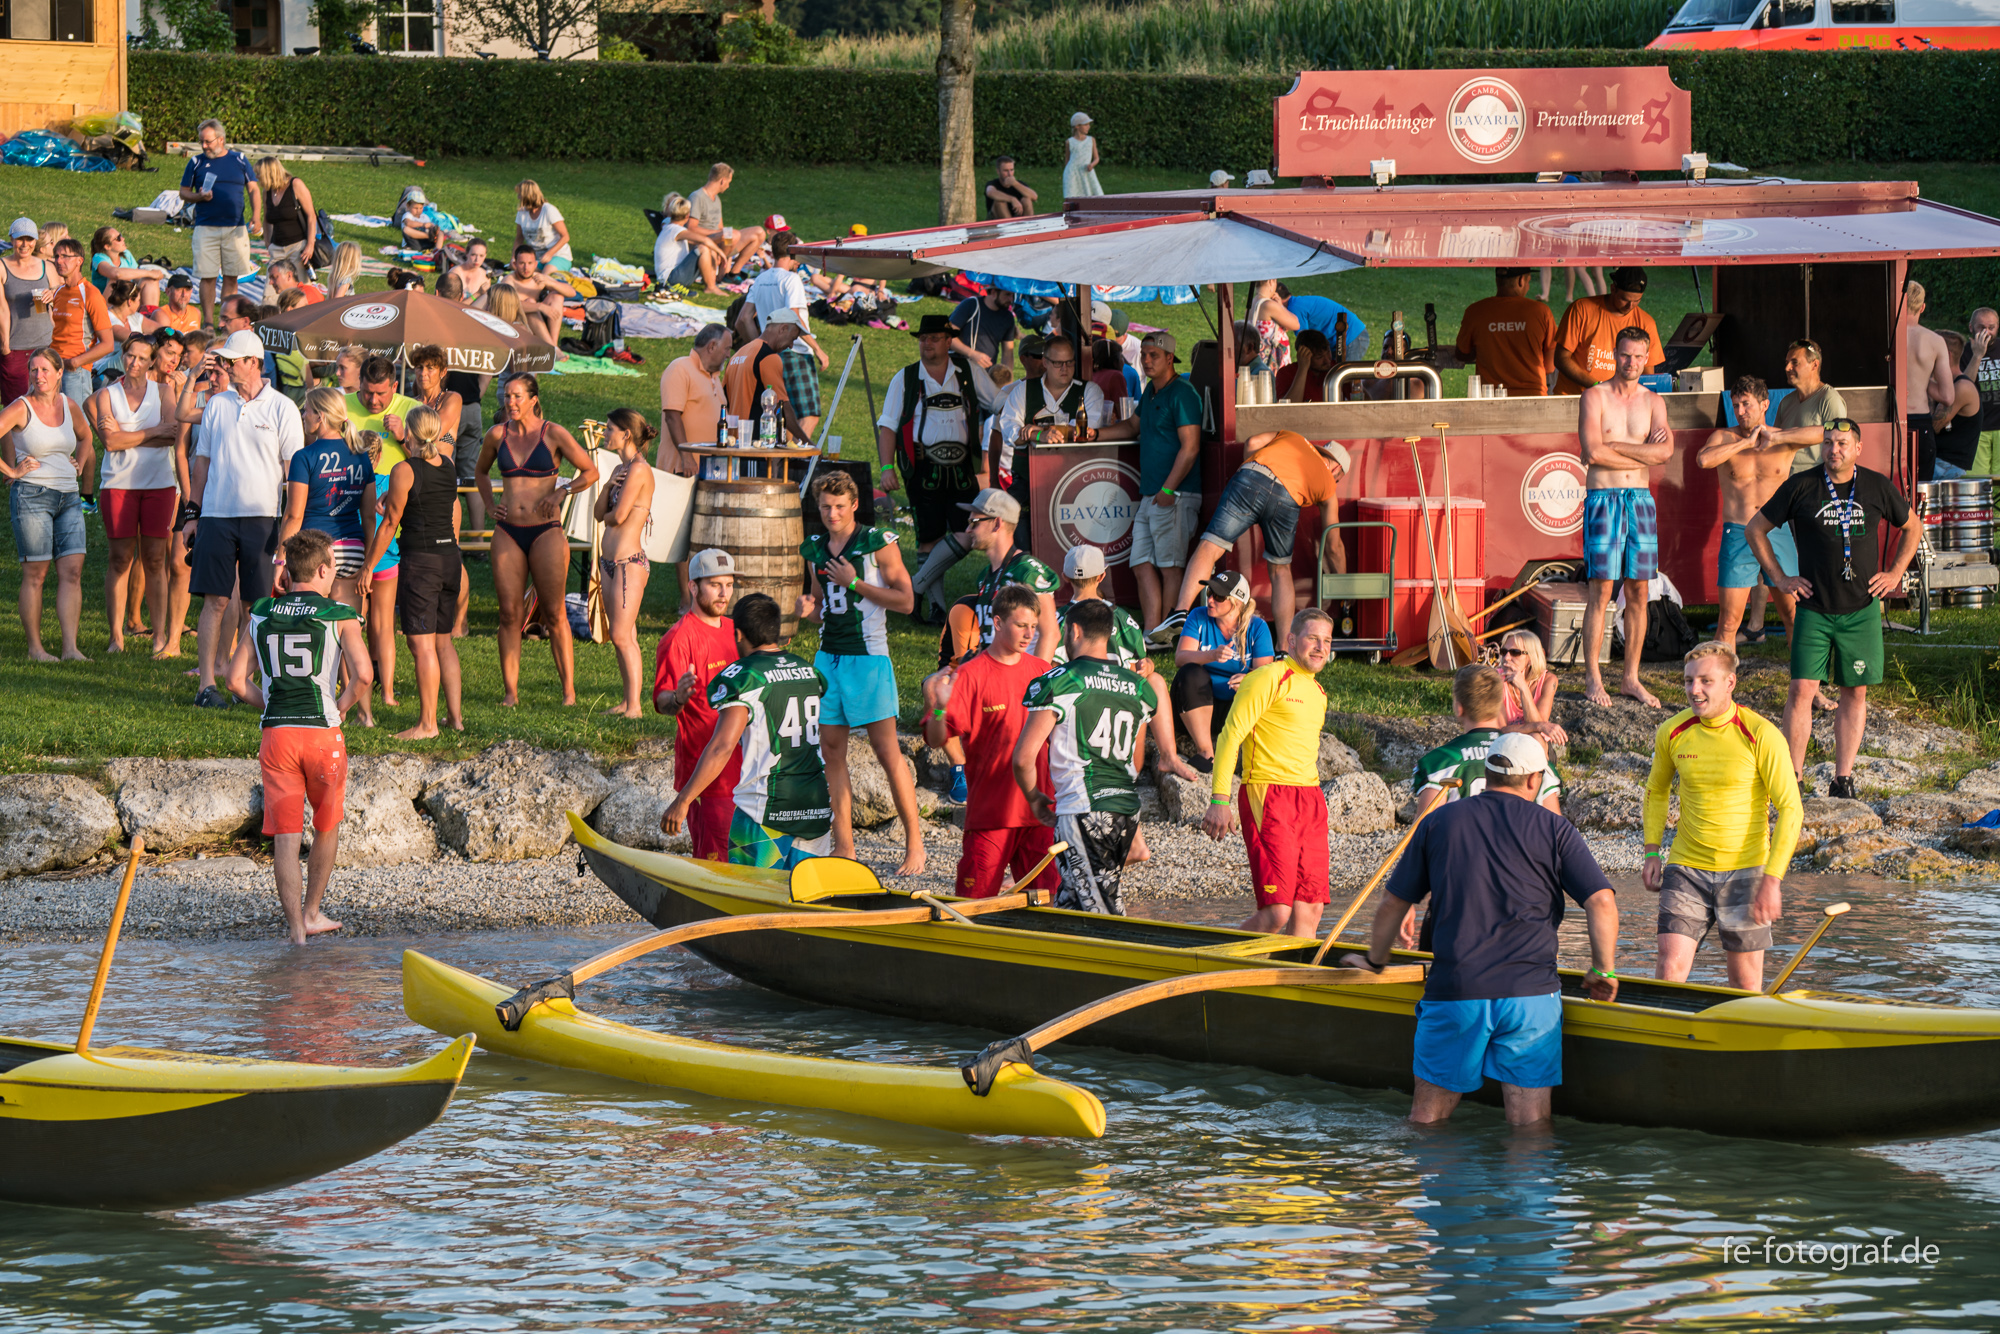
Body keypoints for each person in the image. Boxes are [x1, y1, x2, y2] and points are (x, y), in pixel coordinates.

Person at [1344, 730, 1619, 1128]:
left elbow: (1393, 904)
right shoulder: (1556, 829)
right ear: (1534, 780)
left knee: (1427, 1119)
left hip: (1456, 990)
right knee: (1530, 1126)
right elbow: (1602, 901)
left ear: (1487, 773)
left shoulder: (1438, 822)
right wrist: (1602, 970)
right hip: (1531, 997)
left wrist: (1375, 961)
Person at [1747, 419, 1923, 799]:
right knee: (1801, 690)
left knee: (1854, 692)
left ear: (1858, 448)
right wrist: (1780, 578)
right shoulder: (1801, 486)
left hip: (1860, 609)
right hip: (1814, 607)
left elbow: (1913, 527)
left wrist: (1895, 572)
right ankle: (1793, 779)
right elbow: (1754, 529)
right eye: (1828, 442)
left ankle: (1843, 780)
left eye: (1842, 443)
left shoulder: (1876, 485)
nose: (1834, 450)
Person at [224, 529, 371, 947]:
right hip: (322, 733)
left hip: (278, 736)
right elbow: (364, 675)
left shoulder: (262, 612)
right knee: (327, 824)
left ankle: (295, 933)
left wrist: (269, 701)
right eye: (334, 567)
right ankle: (312, 912)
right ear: (323, 570)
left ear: (289, 572)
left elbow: (234, 680)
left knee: (286, 837)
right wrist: (341, 706)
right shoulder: (339, 614)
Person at [1014, 599, 1192, 915]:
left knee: (1103, 912)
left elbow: (1023, 758)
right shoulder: (1137, 687)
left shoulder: (1060, 681)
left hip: (1083, 808)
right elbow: (1135, 756)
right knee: (1072, 902)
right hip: (1126, 811)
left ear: (1074, 631)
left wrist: (1034, 797)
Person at [1642, 642, 1803, 991]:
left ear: (1730, 682)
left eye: (1705, 681)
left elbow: (1791, 808)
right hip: (1686, 867)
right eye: (1688, 681)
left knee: (1744, 984)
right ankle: (1663, 1023)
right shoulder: (1672, 731)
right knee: (1669, 968)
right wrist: (1652, 851)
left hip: (1747, 870)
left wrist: (1772, 880)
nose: (1694, 690)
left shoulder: (1761, 734)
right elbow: (1656, 790)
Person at [798, 469, 927, 876]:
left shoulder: (877, 543)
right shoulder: (815, 549)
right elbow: (821, 605)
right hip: (828, 659)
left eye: (840, 506)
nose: (832, 514)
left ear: (854, 505)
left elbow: (907, 601)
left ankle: (915, 844)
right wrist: (807, 610)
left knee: (887, 752)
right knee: (831, 751)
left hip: (868, 658)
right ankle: (845, 846)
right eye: (826, 507)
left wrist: (855, 584)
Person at [661, 592, 832, 869]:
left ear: (738, 634)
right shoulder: (808, 671)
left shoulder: (744, 676)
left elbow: (722, 746)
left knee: (749, 890)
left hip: (765, 809)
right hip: (815, 803)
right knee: (805, 890)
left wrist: (683, 800)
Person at [180, 329, 305, 707]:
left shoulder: (283, 407)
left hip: (263, 518)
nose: (224, 365)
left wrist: (290, 529)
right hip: (216, 516)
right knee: (214, 601)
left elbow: (294, 472)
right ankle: (206, 685)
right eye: (223, 360)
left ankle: (244, 682)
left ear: (253, 363)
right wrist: (192, 514)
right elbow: (202, 463)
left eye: (231, 360)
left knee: (256, 606)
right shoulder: (217, 404)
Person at [1198, 609, 1337, 936]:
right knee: (1277, 911)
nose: (1320, 647)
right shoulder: (1268, 677)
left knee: (1311, 908)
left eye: (1327, 641)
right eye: (1312, 638)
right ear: (1291, 640)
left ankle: (1292, 968)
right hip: (1268, 794)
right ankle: (1226, 960)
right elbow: (1230, 735)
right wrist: (1219, 799)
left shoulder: (1318, 693)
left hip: (1311, 799)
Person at [924, 582, 1059, 897]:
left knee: (1048, 904)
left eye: (1034, 627)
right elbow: (934, 738)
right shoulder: (970, 675)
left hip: (1039, 814)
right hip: (991, 816)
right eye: (1021, 625)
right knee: (972, 906)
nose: (1029, 634)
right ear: (997, 623)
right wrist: (940, 707)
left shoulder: (1044, 672)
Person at [1159, 430, 1348, 649]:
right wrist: (1344, 585)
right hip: (1288, 498)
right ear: (1336, 469)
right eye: (1338, 479)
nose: (1335, 482)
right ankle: (1283, 648)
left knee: (1210, 546)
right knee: (1280, 570)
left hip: (1252, 476)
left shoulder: (1293, 437)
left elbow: (1252, 442)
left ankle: (1181, 611)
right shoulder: (1328, 485)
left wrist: (1253, 480)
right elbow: (1333, 545)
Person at [476, 374, 596, 706]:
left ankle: (568, 693)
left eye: (517, 396)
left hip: (546, 531)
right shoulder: (497, 435)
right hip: (508, 531)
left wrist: (562, 491)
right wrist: (489, 505)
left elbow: (590, 471)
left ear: (533, 399)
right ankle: (510, 693)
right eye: (507, 396)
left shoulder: (553, 433)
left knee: (554, 613)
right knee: (509, 614)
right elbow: (480, 472)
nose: (510, 402)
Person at [1577, 326, 1673, 708]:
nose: (1631, 362)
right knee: (1601, 590)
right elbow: (1592, 452)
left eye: (1638, 356)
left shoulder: (1653, 401)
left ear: (1646, 358)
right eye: (1624, 355)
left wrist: (1613, 445)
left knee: (1639, 591)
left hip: (1640, 500)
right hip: (1604, 498)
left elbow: (1664, 454)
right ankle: (1593, 677)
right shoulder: (1594, 396)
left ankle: (1630, 678)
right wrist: (1638, 453)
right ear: (1614, 354)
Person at [1697, 375, 1825, 647]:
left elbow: (1826, 433)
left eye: (1747, 404)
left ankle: (1801, 674)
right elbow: (1703, 460)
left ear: (1765, 404)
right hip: (1738, 530)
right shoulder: (1724, 437)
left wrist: (1776, 436)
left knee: (1793, 615)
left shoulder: (1782, 439)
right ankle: (1722, 675)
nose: (1740, 411)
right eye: (1736, 405)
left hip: (1775, 530)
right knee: (1729, 622)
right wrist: (1745, 443)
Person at [361, 405, 462, 740]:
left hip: (422, 563)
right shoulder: (447, 464)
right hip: (449, 559)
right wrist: (392, 493)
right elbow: (426, 496)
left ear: (410, 433)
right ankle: (455, 719)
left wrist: (369, 566)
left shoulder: (405, 469)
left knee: (421, 646)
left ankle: (427, 725)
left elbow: (390, 523)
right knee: (443, 642)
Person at [1094, 332, 1202, 643]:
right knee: (1140, 563)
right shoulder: (1151, 391)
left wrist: (1168, 490)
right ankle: (1151, 632)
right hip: (1152, 493)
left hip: (1174, 494)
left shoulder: (1183, 393)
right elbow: (1131, 426)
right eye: (1143, 354)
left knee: (1170, 567)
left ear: (1170, 358)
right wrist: (1094, 434)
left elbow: (1191, 447)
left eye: (1154, 355)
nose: (1146, 360)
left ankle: (1166, 635)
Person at [879, 312, 1000, 569]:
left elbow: (999, 403)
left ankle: (920, 583)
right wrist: (887, 468)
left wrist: (1023, 400)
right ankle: (931, 595)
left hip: (962, 468)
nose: (927, 343)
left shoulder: (969, 372)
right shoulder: (905, 378)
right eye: (923, 338)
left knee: (968, 532)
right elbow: (888, 426)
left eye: (934, 338)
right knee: (928, 539)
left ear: (948, 341)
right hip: (923, 468)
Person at [87, 334, 178, 655]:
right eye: (129, 356)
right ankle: (116, 637)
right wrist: (153, 432)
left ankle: (159, 636)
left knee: (155, 559)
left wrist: (128, 435)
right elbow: (110, 443)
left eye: (141, 357)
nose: (134, 362)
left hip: (159, 484)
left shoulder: (164, 392)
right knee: (120, 559)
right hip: (118, 484)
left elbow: (172, 435)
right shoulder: (107, 394)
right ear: (122, 356)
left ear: (152, 361)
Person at [2, 347, 93, 661]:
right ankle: (35, 649)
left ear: (59, 373)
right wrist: (12, 471)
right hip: (32, 496)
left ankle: (71, 649)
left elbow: (86, 437)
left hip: (69, 497)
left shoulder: (69, 405)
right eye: (34, 370)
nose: (38, 376)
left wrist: (79, 465)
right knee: (36, 575)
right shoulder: (21, 407)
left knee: (72, 572)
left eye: (44, 370)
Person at [653, 548, 741, 861]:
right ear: (692, 586)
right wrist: (678, 697)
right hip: (706, 779)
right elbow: (662, 701)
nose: (724, 593)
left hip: (745, 772)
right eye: (715, 585)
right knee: (714, 864)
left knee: (746, 862)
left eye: (729, 585)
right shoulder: (678, 638)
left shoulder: (736, 630)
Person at [347, 356, 420, 706]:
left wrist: (403, 437)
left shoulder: (412, 410)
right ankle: (383, 691)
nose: (373, 401)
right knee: (372, 623)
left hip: (382, 540)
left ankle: (361, 687)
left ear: (394, 386)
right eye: (367, 393)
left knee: (357, 623)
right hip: (375, 547)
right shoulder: (341, 405)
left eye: (380, 394)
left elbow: (436, 454)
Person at [280, 387, 373, 631]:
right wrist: (369, 560)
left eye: (307, 410)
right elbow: (369, 516)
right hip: (353, 548)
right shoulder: (361, 456)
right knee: (348, 629)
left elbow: (293, 515)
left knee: (312, 629)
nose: (303, 415)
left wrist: (280, 559)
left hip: (315, 549)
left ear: (320, 416)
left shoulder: (304, 456)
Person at [1169, 569, 1276, 771]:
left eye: (1218, 596)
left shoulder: (1257, 627)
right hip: (1196, 708)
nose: (1210, 600)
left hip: (1234, 710)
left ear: (1237, 602)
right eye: (1210, 592)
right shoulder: (1198, 616)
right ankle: (1206, 752)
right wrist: (1212, 655)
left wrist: (1248, 680)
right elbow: (1180, 658)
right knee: (1190, 673)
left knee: (1259, 687)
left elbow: (1267, 675)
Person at [989, 332, 1105, 510]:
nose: (1064, 368)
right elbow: (1010, 433)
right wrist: (1039, 435)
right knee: (1020, 526)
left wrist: (1036, 432)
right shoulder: (1022, 390)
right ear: (1045, 362)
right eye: (1058, 363)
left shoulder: (1090, 391)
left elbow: (1085, 430)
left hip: (1074, 479)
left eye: (1069, 362)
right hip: (1026, 482)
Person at [592, 408, 657, 720]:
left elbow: (616, 517)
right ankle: (627, 702)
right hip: (609, 562)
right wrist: (607, 487)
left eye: (609, 428)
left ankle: (635, 707)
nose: (605, 433)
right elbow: (598, 514)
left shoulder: (640, 470)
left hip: (629, 563)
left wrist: (609, 515)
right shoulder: (621, 468)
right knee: (622, 635)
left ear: (626, 434)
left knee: (620, 635)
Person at [741, 233, 828, 439]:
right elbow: (793, 316)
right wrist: (817, 349)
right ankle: (797, 457)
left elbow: (743, 318)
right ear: (793, 253)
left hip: (771, 354)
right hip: (796, 352)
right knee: (808, 415)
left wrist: (759, 347)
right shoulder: (791, 279)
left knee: (785, 416)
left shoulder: (760, 279)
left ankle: (785, 457)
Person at [177, 119, 261, 331]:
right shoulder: (196, 162)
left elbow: (253, 189)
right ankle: (208, 322)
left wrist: (256, 215)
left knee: (231, 277)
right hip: (205, 227)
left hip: (235, 228)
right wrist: (199, 196)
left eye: (207, 141)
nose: (204, 146)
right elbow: (183, 192)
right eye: (201, 142)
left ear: (221, 139)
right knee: (208, 277)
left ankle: (226, 322)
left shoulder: (239, 160)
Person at [960, 487, 1059, 657]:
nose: (968, 530)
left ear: (997, 524)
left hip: (1020, 670)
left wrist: (1035, 674)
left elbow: (1050, 634)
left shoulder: (1027, 572)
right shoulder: (984, 576)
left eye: (974, 522)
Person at [1554, 266, 1661, 396]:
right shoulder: (1582, 310)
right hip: (1575, 397)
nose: (1630, 306)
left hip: (1621, 402)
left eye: (1636, 301)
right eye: (1624, 299)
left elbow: (1648, 376)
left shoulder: (1646, 323)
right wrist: (1598, 386)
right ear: (1613, 289)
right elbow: (1561, 358)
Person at [1452, 267, 1555, 396]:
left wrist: (1484, 349)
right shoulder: (1541, 312)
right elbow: (1550, 366)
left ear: (1497, 280)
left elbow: (1462, 353)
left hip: (1490, 396)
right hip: (1533, 395)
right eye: (1528, 281)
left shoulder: (1475, 311)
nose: (1528, 286)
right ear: (1521, 281)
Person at [723, 312, 810, 452]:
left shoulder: (737, 355)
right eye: (792, 339)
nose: (791, 345)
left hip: (732, 444)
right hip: (755, 446)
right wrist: (807, 442)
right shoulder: (768, 357)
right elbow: (782, 407)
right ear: (783, 329)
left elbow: (723, 402)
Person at [46, 239, 112, 405]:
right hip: (53, 366)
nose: (59, 261)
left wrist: (75, 362)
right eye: (56, 256)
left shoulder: (91, 294)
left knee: (76, 419)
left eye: (65, 256)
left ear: (79, 260)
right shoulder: (59, 292)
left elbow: (108, 344)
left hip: (75, 371)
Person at [1901, 280, 1955, 482]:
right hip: (1919, 421)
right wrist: (1923, 380)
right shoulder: (1935, 340)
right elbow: (1947, 396)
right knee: (1920, 488)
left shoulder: (1885, 337)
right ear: (1922, 307)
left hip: (1889, 419)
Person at [662, 323, 729, 481]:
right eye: (727, 349)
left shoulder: (715, 377)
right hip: (684, 469)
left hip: (711, 469)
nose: (728, 355)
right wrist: (687, 457)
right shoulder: (680, 368)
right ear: (712, 346)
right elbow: (672, 416)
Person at [1, 217, 56, 403]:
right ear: (11, 239)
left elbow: (61, 296)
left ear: (35, 241)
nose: (25, 245)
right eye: (20, 239)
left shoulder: (47, 267)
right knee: (15, 404)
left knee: (45, 402)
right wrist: (5, 348)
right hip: (15, 347)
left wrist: (52, 295)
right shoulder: (2, 267)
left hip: (44, 345)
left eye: (29, 239)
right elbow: (2, 310)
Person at [684, 164, 766, 276]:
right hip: (704, 242)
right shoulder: (697, 197)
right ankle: (721, 270)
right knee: (732, 234)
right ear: (722, 181)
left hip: (720, 241)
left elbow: (721, 227)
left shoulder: (717, 199)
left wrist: (726, 238)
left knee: (759, 232)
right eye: (729, 182)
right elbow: (691, 228)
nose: (728, 186)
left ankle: (732, 273)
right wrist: (720, 234)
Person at [499, 244, 575, 350]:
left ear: (535, 264)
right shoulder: (509, 281)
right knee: (531, 302)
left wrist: (552, 283)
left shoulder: (539, 278)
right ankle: (552, 348)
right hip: (517, 324)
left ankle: (554, 345)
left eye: (530, 263)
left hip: (538, 324)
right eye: (522, 263)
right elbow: (508, 304)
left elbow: (572, 293)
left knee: (557, 296)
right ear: (515, 264)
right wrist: (539, 307)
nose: (526, 268)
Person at [1496, 628, 1564, 739]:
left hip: (1536, 742)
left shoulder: (1548, 681)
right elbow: (1501, 729)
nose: (1506, 658)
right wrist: (1537, 726)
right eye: (1504, 652)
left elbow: (1538, 727)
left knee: (1535, 736)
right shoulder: (1496, 679)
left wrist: (1523, 687)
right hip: (1506, 741)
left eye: (1515, 653)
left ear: (1531, 658)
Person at [1933, 331, 1983, 481]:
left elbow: (1934, 426)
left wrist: (1921, 380)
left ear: (1946, 355)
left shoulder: (1962, 387)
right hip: (1940, 464)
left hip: (1946, 467)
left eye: (1931, 350)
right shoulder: (1946, 385)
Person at [652, 193, 721, 296]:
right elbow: (705, 240)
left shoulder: (668, 226)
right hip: (671, 278)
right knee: (703, 248)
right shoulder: (676, 230)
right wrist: (721, 253)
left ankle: (712, 284)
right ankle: (710, 287)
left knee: (706, 248)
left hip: (670, 277)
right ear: (687, 216)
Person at [258, 158, 317, 278]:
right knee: (270, 288)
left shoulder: (295, 185)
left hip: (297, 248)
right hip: (277, 248)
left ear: (269, 173)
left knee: (299, 285)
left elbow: (311, 215)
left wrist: (310, 244)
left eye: (259, 173)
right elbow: (267, 218)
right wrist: (268, 242)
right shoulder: (267, 191)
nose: (256, 177)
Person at [89, 225, 164, 309]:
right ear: (107, 246)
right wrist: (150, 273)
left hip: (126, 297)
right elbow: (116, 274)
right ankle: (111, 314)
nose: (123, 239)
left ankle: (148, 313)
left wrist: (151, 277)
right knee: (116, 280)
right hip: (105, 305)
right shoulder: (98, 258)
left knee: (150, 280)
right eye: (118, 238)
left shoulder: (126, 254)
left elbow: (137, 277)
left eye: (120, 235)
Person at [950, 287, 1018, 375]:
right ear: (993, 292)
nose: (1011, 299)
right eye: (1007, 294)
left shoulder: (1008, 317)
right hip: (960, 370)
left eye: (1013, 295)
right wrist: (972, 354)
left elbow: (1008, 353)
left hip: (986, 376)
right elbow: (948, 336)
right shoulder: (971, 305)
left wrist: (1007, 380)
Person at [1285, 292, 1367, 363]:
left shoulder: (1294, 308)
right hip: (1346, 338)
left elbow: (1306, 344)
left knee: (1343, 374)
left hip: (1351, 336)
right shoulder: (1297, 303)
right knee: (1334, 373)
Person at [513, 180, 572, 272]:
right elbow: (519, 238)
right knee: (521, 275)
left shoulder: (548, 210)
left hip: (558, 255)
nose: (518, 197)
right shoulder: (522, 212)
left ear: (527, 195)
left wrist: (550, 254)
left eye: (520, 194)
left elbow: (565, 237)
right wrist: (514, 258)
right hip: (536, 259)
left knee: (545, 276)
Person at [1246, 279, 1299, 373]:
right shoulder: (1269, 305)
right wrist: (1280, 306)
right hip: (1274, 363)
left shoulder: (1252, 304)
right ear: (1271, 281)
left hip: (1260, 362)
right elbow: (1296, 324)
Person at [1273, 330, 1334, 402]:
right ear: (1304, 355)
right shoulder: (1286, 373)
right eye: (1319, 357)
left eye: (1328, 352)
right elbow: (1289, 406)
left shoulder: (1336, 369)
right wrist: (1303, 369)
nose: (1327, 360)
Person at [1063, 112, 1103, 197]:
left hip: (1086, 171)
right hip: (1073, 174)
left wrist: (1092, 165)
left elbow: (1096, 158)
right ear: (1077, 126)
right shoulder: (1069, 142)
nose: (1089, 127)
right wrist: (1067, 175)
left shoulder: (1091, 140)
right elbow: (1067, 160)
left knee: (1094, 194)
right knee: (1073, 195)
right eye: (1086, 124)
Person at [451, 238, 492, 304]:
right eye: (473, 255)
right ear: (467, 253)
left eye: (481, 256)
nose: (477, 259)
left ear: (485, 256)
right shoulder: (455, 273)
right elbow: (452, 305)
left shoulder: (485, 275)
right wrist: (477, 294)